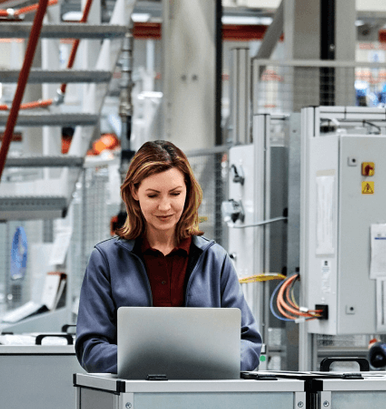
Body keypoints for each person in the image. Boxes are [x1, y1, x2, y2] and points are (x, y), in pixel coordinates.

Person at [75, 140, 262, 373]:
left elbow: (250, 343)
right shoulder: (106, 260)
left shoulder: (215, 260)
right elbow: (91, 348)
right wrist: (161, 364)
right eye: (153, 195)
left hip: (207, 398)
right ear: (134, 192)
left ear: (188, 191)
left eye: (175, 193)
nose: (165, 207)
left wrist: (209, 363)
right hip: (133, 399)